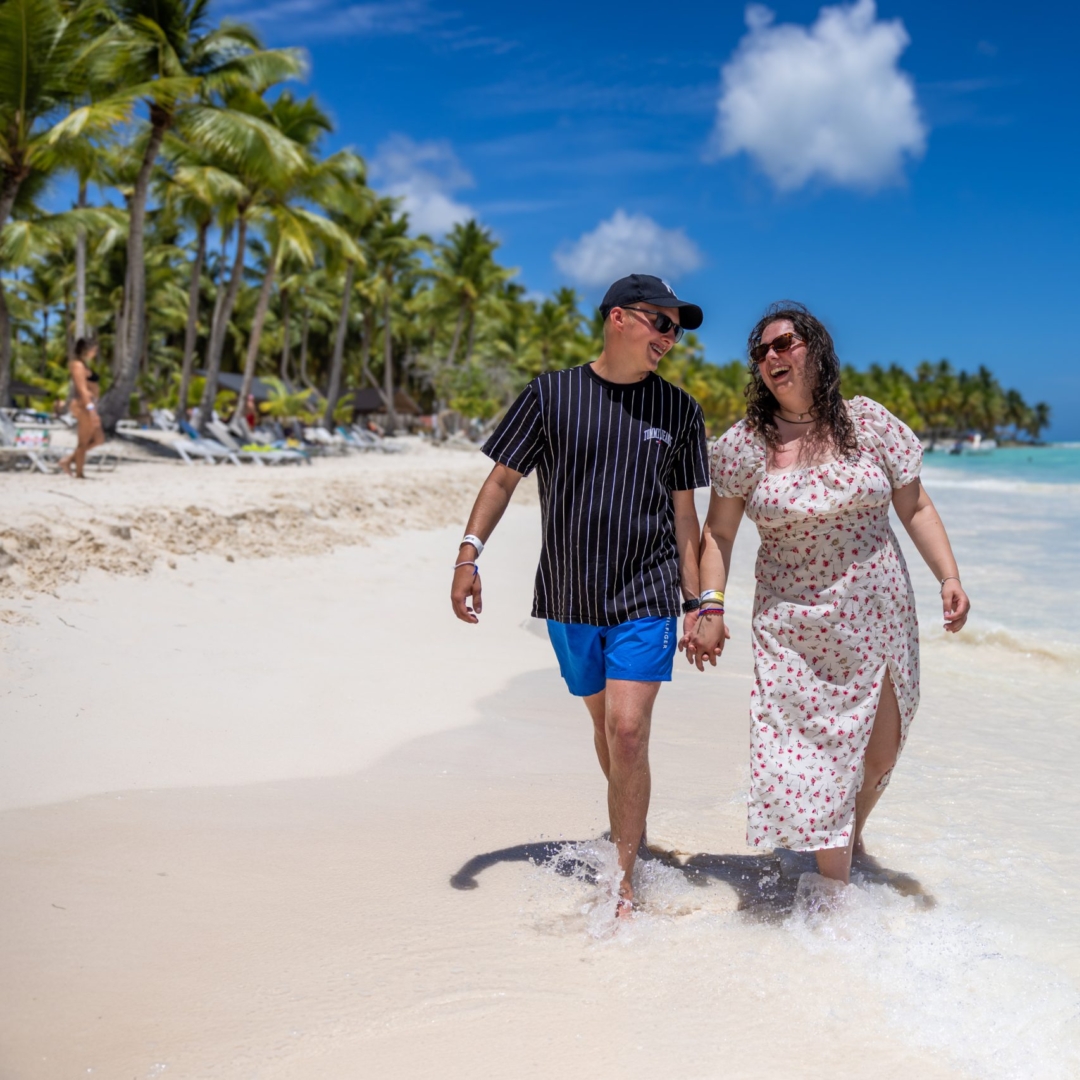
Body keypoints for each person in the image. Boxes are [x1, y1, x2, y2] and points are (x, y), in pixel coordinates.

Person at [450, 274, 711, 916]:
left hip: (646, 593)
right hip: (570, 596)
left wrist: (702, 603)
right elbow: (502, 480)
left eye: (677, 330)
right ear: (619, 318)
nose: (671, 339)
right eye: (663, 323)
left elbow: (685, 519)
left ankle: (623, 881)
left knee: (627, 731)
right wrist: (468, 553)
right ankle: (632, 826)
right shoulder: (550, 395)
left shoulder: (680, 412)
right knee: (604, 726)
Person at [690, 302, 970, 887]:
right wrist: (710, 606)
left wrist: (948, 575)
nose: (772, 357)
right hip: (792, 626)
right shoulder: (745, 444)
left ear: (815, 348)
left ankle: (848, 831)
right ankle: (830, 896)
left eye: (784, 343)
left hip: (877, 614)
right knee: (814, 756)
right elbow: (717, 532)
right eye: (761, 351)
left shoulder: (868, 423)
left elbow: (914, 506)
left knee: (880, 756)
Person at [58, 338, 105, 479]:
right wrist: (91, 410)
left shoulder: (84, 365)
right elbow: (82, 389)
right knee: (83, 441)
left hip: (89, 404)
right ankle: (79, 473)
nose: (95, 353)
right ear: (86, 349)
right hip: (83, 405)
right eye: (94, 350)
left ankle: (67, 460)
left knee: (99, 439)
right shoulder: (77, 365)